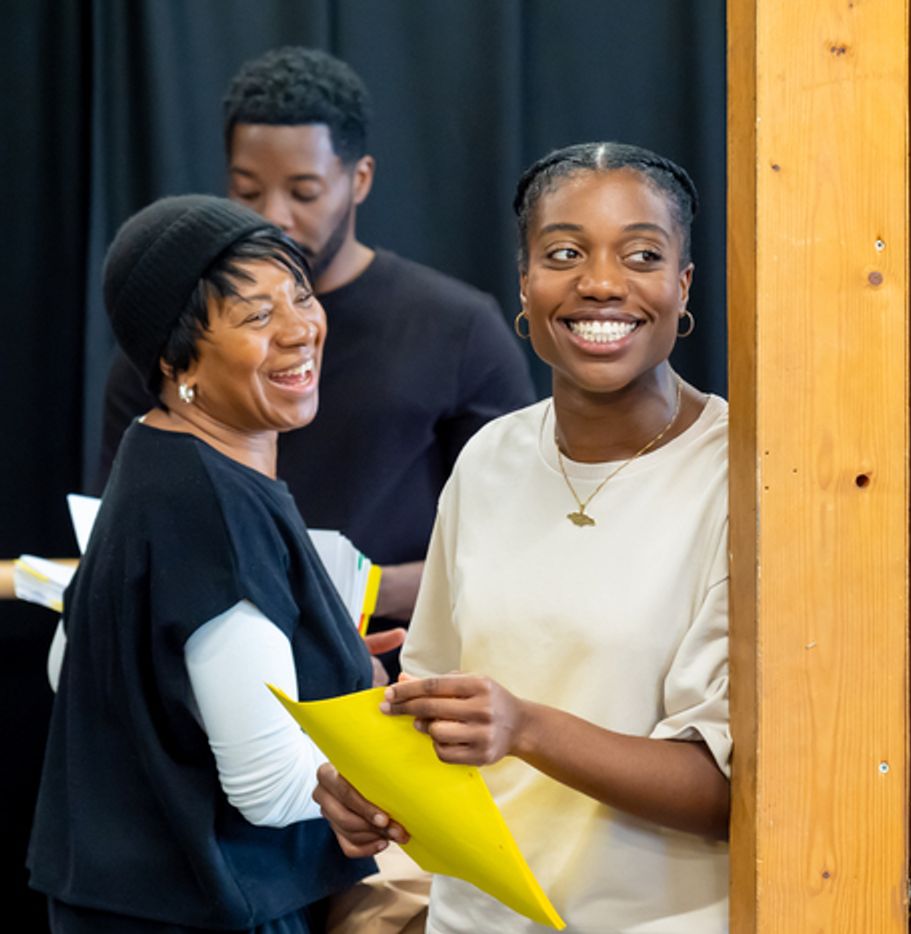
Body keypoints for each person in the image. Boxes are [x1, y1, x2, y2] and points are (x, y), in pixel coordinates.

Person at [314, 142, 731, 933]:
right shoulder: (489, 458)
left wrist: (526, 727)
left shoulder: (740, 476)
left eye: (641, 254)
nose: (601, 282)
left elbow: (733, 793)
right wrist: (368, 785)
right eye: (564, 253)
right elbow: (442, 714)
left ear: (682, 289)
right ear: (525, 284)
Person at [29, 195, 390, 932]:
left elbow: (68, 665)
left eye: (301, 295)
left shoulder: (153, 451)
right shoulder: (215, 506)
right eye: (257, 317)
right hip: (200, 912)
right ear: (174, 353)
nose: (299, 329)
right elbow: (267, 786)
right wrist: (382, 740)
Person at [98, 46, 535, 623]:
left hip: (395, 670)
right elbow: (122, 527)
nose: (272, 217)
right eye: (247, 192)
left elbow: (519, 542)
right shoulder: (176, 331)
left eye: (303, 192)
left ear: (360, 179)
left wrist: (349, 587)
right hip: (212, 637)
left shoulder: (457, 326)